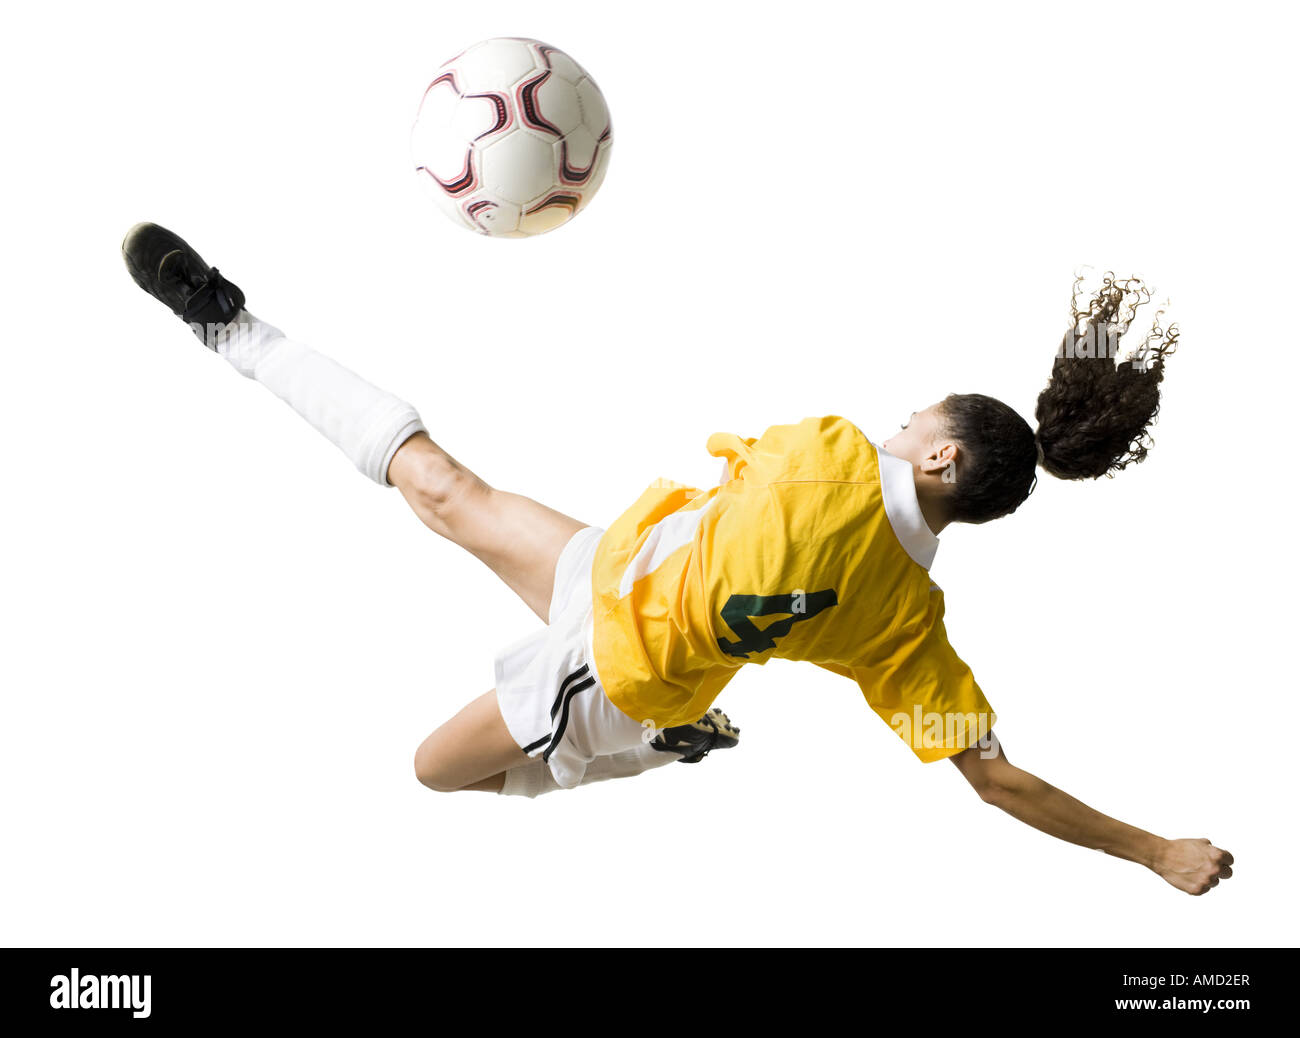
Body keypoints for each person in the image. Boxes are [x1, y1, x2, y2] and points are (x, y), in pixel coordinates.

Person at [122, 222, 1233, 896]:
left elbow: (745, 482)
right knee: (443, 490)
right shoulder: (907, 634)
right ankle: (229, 325)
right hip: (613, 570)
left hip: (614, 675)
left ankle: (653, 748)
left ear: (938, 453)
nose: (896, 421)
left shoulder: (827, 449)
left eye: (915, 418)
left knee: (429, 766)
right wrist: (1151, 851)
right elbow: (997, 781)